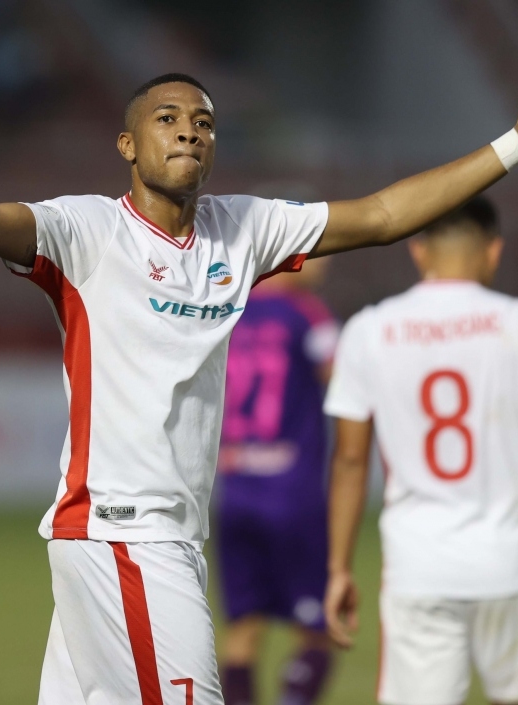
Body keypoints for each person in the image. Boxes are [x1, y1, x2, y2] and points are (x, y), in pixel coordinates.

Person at [0, 66, 518, 705]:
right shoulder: (87, 231)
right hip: (125, 533)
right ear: (128, 144)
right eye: (167, 118)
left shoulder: (241, 229)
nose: (190, 129)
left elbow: (386, 214)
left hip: (164, 536)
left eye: (204, 121)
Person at [322, 196, 518, 705]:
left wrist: (339, 569)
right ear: (493, 251)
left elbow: (350, 461)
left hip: (417, 565)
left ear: (418, 250)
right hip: (508, 562)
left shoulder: (368, 330)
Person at [215, 257, 338, 705]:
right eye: (317, 251)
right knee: (319, 631)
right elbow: (342, 377)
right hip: (293, 495)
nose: (325, 262)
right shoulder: (308, 313)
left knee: (242, 631)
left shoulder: (225, 312)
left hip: (235, 492)